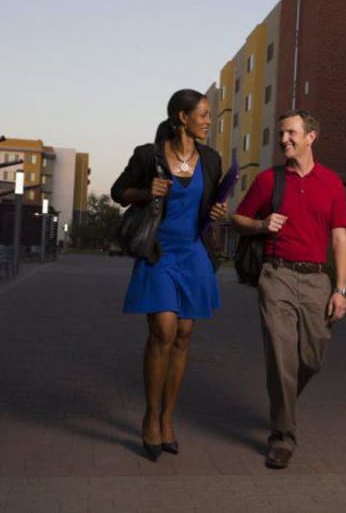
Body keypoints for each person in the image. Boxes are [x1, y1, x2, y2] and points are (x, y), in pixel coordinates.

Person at [111, 89, 227, 462]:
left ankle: (167, 417)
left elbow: (208, 206)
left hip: (193, 253)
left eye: (209, 116)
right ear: (182, 117)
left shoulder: (211, 159)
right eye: (204, 115)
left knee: (185, 335)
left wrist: (218, 212)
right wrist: (146, 192)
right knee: (162, 330)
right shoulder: (150, 155)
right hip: (159, 251)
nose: (209, 121)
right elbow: (118, 192)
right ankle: (150, 415)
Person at [231, 109, 346, 469]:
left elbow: (340, 238)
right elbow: (237, 219)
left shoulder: (332, 183)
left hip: (318, 280)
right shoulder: (269, 181)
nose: (284, 139)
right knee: (281, 357)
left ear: (311, 136)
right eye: (281, 134)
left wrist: (341, 289)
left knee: (311, 358)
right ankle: (282, 435)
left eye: (291, 133)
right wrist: (262, 224)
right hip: (277, 275)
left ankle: (282, 404)